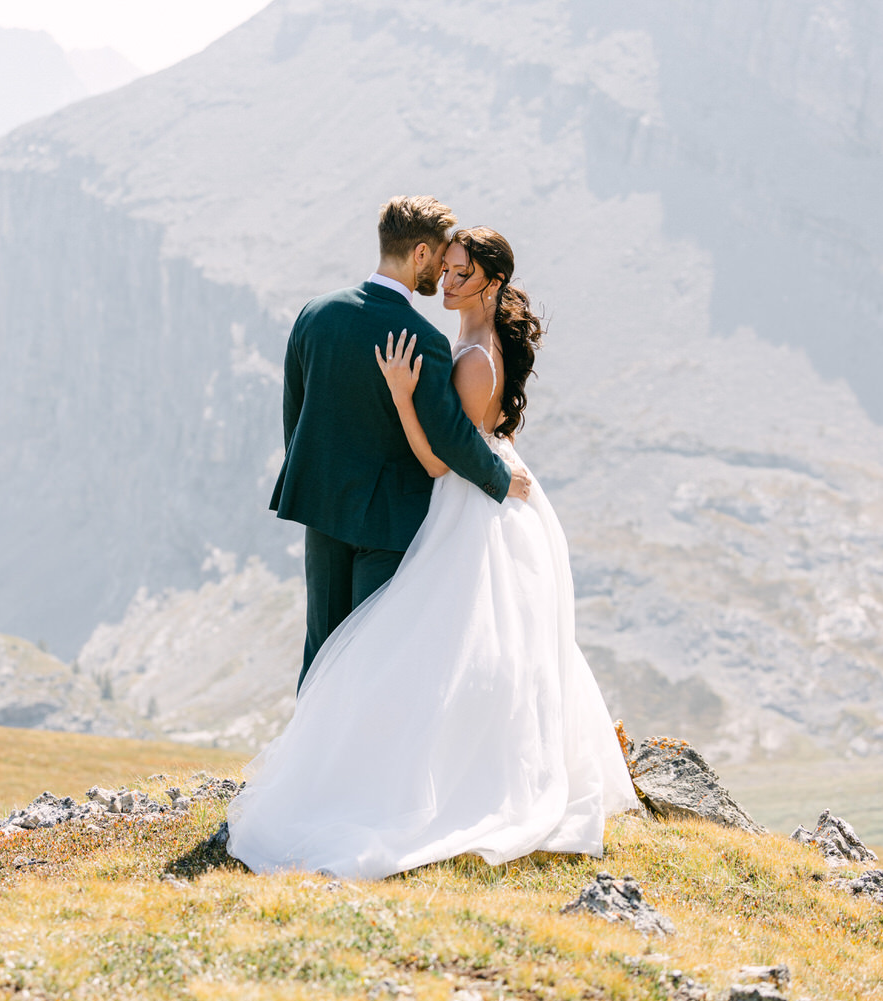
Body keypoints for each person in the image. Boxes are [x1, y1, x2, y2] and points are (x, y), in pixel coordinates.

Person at [227, 226, 638, 879]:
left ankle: (407, 780)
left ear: (492, 282)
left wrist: (401, 396)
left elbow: (439, 461)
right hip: (476, 498)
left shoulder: (474, 359)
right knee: (456, 644)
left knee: (425, 644)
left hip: (471, 504)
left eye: (461, 274)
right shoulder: (467, 345)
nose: (446, 284)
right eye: (446, 269)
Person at [268, 196, 530, 692]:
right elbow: (451, 435)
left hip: (322, 509)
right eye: (441, 262)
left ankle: (310, 760)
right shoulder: (421, 337)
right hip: (390, 521)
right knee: (373, 646)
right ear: (422, 254)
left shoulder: (314, 314)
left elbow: (295, 413)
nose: (443, 279)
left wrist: (313, 480)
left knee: (320, 645)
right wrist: (499, 478)